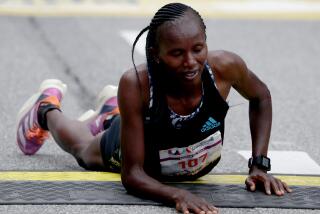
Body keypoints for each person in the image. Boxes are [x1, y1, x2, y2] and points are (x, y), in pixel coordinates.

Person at [16, 3, 292, 214]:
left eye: (198, 48)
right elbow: (132, 175)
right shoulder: (137, 84)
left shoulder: (225, 67)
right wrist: (176, 195)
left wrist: (259, 166)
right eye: (176, 53)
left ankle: (113, 111)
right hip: (142, 158)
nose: (190, 62)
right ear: (155, 55)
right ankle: (46, 109)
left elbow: (261, 97)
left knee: (125, 117)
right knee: (84, 151)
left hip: (173, 149)